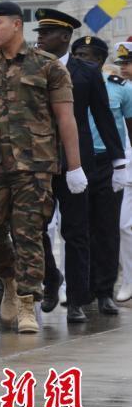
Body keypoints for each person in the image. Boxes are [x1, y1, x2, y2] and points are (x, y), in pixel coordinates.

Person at [0, 1, 84, 334]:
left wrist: (74, 167)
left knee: (28, 233)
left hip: (35, 165)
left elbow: (65, 119)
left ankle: (28, 304)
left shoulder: (48, 67)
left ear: (17, 25)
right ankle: (9, 281)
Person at [33, 8, 124, 322]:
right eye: (39, 32)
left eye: (46, 33)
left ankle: (78, 299)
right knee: (33, 228)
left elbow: (102, 117)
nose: (40, 37)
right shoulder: (30, 68)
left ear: (64, 37)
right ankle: (50, 279)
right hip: (39, 163)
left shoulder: (86, 72)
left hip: (76, 163)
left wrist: (118, 159)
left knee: (77, 232)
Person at [71, 35, 132, 314]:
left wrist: (123, 163)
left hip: (107, 163)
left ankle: (104, 290)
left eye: (92, 57)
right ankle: (79, 291)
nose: (86, 62)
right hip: (75, 161)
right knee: (76, 230)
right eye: (80, 56)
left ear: (101, 61)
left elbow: (128, 128)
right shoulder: (64, 83)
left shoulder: (121, 88)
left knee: (107, 229)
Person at [115, 40, 132, 303]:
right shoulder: (118, 90)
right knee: (124, 225)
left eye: (128, 63)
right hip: (128, 166)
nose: (124, 69)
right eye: (122, 64)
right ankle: (129, 280)